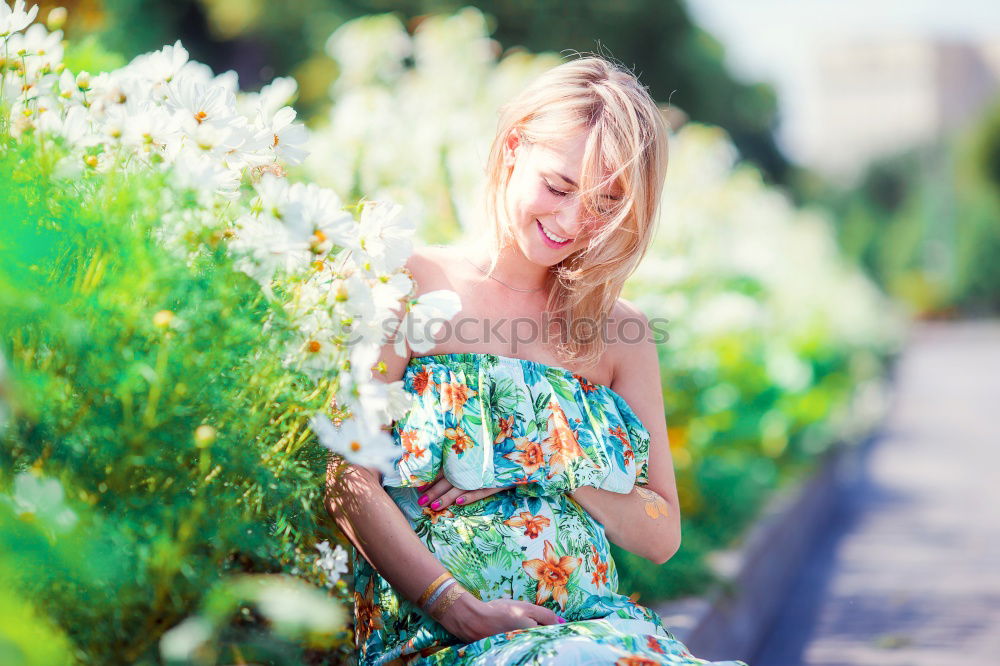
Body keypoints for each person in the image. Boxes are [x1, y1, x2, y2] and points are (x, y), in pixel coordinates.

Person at [325, 55, 750, 665]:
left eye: (606, 204)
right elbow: (346, 477)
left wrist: (543, 459)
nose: (574, 221)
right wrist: (455, 606)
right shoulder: (409, 282)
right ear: (514, 146)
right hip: (440, 634)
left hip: (596, 629)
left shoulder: (621, 331)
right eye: (559, 186)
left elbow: (660, 532)